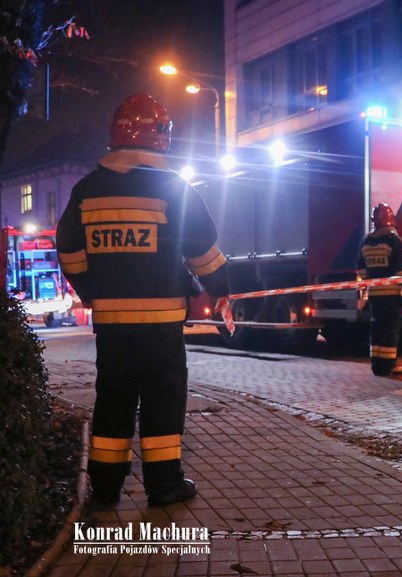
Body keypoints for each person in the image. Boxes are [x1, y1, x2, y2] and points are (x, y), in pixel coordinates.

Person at [56, 93, 233, 508]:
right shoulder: (174, 188)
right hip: (160, 327)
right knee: (162, 401)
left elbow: (68, 251)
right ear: (162, 135)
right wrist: (221, 288)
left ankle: (104, 488)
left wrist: (92, 290)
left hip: (113, 325)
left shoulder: (87, 190)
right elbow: (203, 252)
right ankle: (164, 485)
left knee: (113, 398)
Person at [357, 202, 402, 376]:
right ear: (390, 220)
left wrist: (369, 283)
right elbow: (401, 270)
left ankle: (377, 365)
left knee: (377, 328)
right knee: (390, 330)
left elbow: (361, 270)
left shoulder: (366, 241)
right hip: (391, 293)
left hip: (374, 294)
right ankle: (389, 365)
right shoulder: (393, 240)